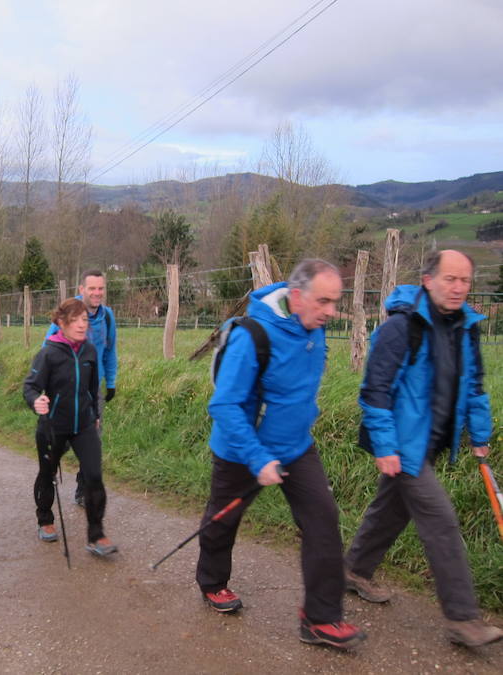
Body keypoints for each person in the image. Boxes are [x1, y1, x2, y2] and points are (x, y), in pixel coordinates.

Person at [196, 259, 365, 650]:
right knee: (223, 520)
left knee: (323, 521)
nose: (330, 312)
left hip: (295, 446)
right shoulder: (252, 335)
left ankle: (320, 619)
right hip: (242, 448)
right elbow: (224, 405)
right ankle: (213, 582)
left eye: (334, 302)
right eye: (323, 302)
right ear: (296, 296)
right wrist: (258, 459)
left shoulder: (313, 326)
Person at [346, 249, 502, 648]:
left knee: (391, 511)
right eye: (450, 279)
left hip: (430, 441)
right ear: (428, 280)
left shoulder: (465, 326)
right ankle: (463, 619)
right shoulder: (404, 327)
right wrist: (385, 445)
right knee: (441, 522)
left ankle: (354, 569)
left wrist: (479, 436)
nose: (458, 288)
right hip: (402, 442)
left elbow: (474, 387)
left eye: (465, 280)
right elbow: (374, 390)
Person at [24, 298, 117, 558]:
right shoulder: (48, 353)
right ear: (61, 323)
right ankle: (45, 519)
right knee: (47, 473)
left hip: (83, 425)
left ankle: (96, 535)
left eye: (84, 320)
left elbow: (91, 387)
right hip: (53, 425)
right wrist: (36, 401)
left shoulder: (89, 350)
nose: (81, 325)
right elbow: (30, 386)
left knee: (94, 476)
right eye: (75, 320)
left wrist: (95, 414)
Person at [45, 270, 117, 507]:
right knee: (62, 440)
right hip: (65, 388)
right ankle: (48, 473)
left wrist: (112, 382)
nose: (97, 293)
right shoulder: (68, 315)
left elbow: (110, 350)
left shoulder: (107, 317)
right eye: (92, 288)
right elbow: (47, 349)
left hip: (92, 388)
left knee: (92, 442)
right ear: (81, 289)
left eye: (101, 288)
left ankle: (83, 490)